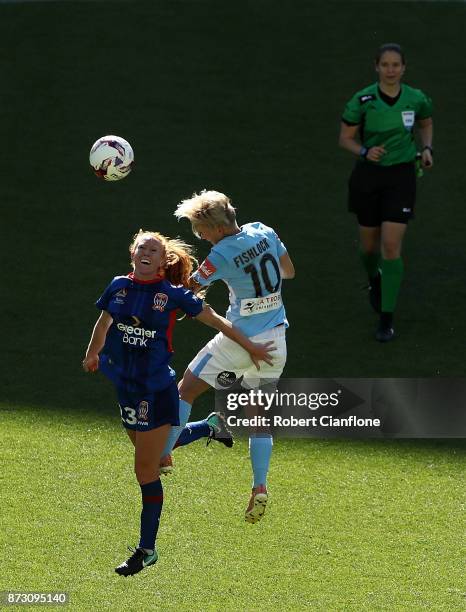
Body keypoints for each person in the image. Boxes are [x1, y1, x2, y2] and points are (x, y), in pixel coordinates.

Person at [82, 230, 274, 576]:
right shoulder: (118, 287)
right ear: (132, 254)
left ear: (162, 260)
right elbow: (104, 319)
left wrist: (252, 347)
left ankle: (147, 549)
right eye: (142, 247)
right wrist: (93, 352)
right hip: (125, 385)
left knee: (146, 469)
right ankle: (210, 426)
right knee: (149, 451)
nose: (146, 252)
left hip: (156, 389)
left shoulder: (172, 294)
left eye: (154, 250)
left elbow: (215, 320)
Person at [160, 190, 295, 524]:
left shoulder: (220, 253)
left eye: (200, 230)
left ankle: (163, 454)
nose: (200, 237)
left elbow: (191, 288)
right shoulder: (265, 230)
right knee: (258, 417)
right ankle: (259, 484)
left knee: (185, 390)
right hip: (277, 339)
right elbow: (288, 271)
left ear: (216, 228)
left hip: (239, 340)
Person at [338, 43, 433, 342]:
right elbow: (345, 138)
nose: (391, 70)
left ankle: (386, 319)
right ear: (377, 67)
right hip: (368, 177)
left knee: (390, 247)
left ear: (403, 68)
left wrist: (426, 148)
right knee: (368, 249)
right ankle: (374, 279)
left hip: (402, 176)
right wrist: (365, 151)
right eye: (385, 65)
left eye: (396, 65)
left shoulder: (416, 98)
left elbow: (426, 123)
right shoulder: (363, 100)